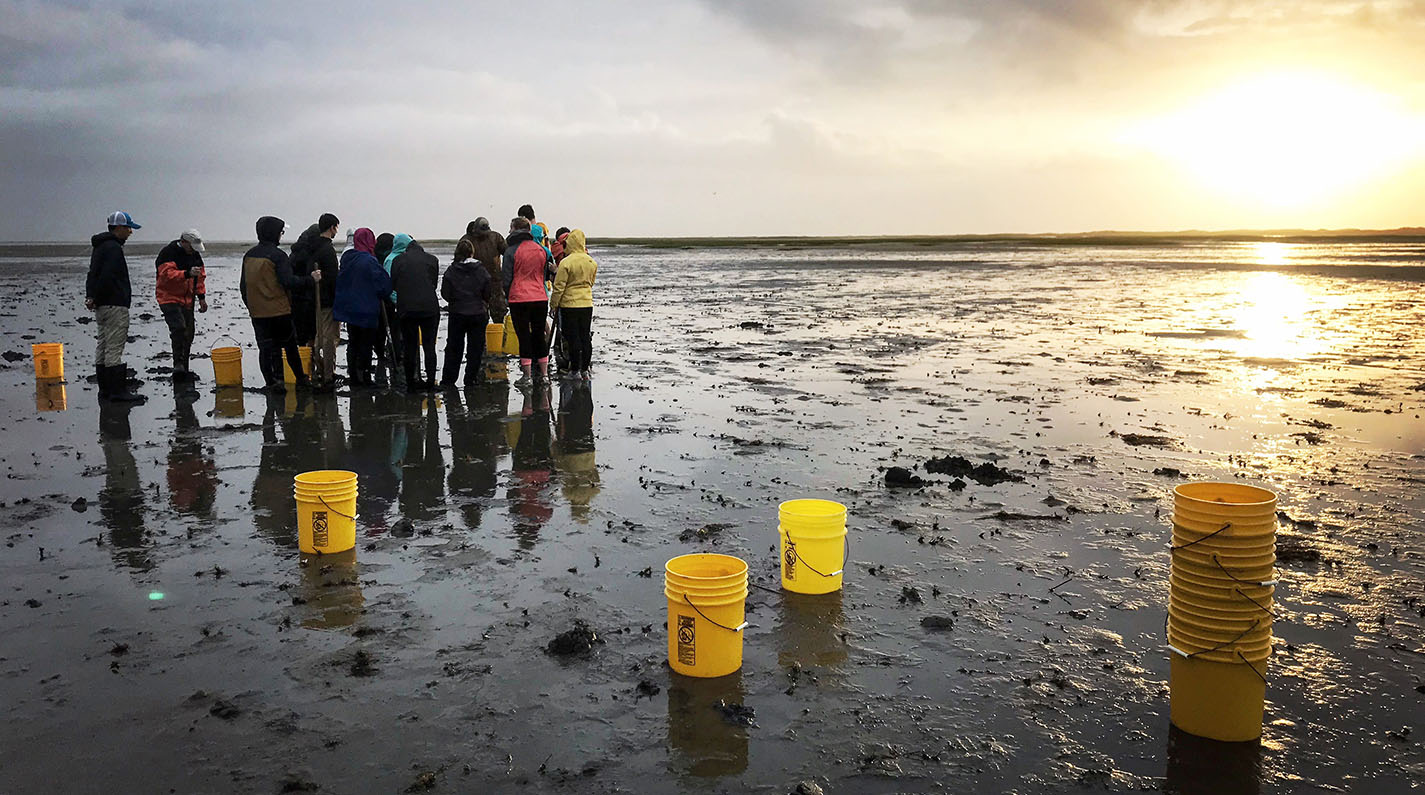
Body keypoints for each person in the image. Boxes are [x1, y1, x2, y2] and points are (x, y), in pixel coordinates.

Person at [240, 215, 318, 393]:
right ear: (274, 233)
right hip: (278, 311)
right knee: (290, 346)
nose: (281, 236)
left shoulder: (249, 255)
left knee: (265, 349)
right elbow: (288, 281)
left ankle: (271, 382)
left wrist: (251, 305)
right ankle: (301, 379)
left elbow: (243, 286)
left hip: (258, 312)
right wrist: (310, 280)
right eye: (281, 232)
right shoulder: (278, 256)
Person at [86, 211, 146, 403]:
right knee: (113, 348)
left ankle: (105, 390)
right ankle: (117, 392)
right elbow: (107, 277)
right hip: (114, 305)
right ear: (118, 228)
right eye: (128, 228)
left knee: (102, 345)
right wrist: (99, 296)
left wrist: (92, 296)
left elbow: (92, 274)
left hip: (102, 305)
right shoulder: (113, 249)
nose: (130, 232)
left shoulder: (100, 247)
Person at [334, 228, 392, 387]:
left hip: (350, 309)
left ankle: (353, 375)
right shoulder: (369, 261)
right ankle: (365, 376)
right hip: (366, 309)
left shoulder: (347, 258)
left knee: (353, 342)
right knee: (366, 343)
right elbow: (384, 285)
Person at [289, 213, 341, 386]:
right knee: (329, 337)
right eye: (336, 227)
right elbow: (333, 278)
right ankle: (327, 374)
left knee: (319, 336)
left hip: (312, 299)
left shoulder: (311, 248)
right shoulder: (327, 249)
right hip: (326, 300)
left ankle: (318, 369)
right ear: (332, 227)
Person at [503, 217, 552, 386]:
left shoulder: (511, 251)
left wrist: (508, 296)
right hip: (540, 297)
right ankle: (545, 375)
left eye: (510, 227)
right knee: (539, 335)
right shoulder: (542, 250)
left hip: (519, 298)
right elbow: (546, 275)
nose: (509, 231)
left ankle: (527, 376)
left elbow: (507, 279)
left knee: (523, 336)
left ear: (516, 229)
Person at [154, 229, 207, 382]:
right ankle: (178, 365)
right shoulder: (168, 253)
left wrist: (201, 297)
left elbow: (200, 278)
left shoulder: (195, 256)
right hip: (169, 298)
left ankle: (185, 366)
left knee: (189, 333)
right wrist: (186, 273)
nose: (193, 250)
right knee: (178, 327)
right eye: (191, 247)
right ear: (184, 242)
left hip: (188, 300)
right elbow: (166, 276)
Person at [389, 235, 440, 392]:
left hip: (407, 309)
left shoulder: (398, 261)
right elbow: (434, 283)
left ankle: (411, 383)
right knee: (429, 346)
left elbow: (393, 284)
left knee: (410, 347)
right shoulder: (432, 260)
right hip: (430, 308)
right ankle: (430, 382)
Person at [440, 238, 494, 386]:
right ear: (472, 252)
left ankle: (449, 380)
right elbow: (488, 292)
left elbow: (445, 293)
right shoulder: (481, 270)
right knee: (475, 349)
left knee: (453, 348)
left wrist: (455, 301)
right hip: (477, 313)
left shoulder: (452, 270)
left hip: (458, 312)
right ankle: (470, 379)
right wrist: (483, 301)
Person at [548, 229, 598, 381]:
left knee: (572, 338)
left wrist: (553, 304)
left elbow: (559, 287)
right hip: (586, 303)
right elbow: (591, 282)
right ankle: (585, 370)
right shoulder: (591, 262)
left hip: (569, 304)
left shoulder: (566, 263)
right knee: (585, 337)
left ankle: (574, 370)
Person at [463, 217, 507, 322]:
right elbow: (460, 261)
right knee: (479, 318)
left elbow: (508, 254)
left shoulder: (495, 237)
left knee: (499, 315)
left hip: (495, 283)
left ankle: (497, 336)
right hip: (476, 285)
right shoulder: (467, 240)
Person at [373, 232, 397, 386]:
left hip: (378, 300)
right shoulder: (390, 258)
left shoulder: (375, 257)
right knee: (390, 327)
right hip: (387, 298)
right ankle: (386, 353)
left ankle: (381, 353)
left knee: (379, 330)